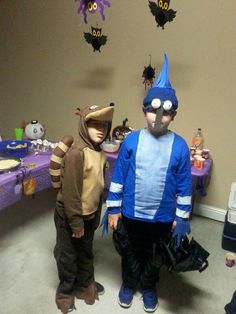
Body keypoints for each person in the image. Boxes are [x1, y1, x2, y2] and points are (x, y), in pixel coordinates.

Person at [106, 54, 192, 313]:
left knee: (154, 256)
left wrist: (182, 217)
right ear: (144, 110)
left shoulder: (180, 145)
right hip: (131, 213)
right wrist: (112, 209)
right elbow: (118, 177)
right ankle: (129, 283)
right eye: (153, 109)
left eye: (166, 112)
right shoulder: (131, 141)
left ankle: (149, 286)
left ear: (173, 116)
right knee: (131, 252)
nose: (159, 116)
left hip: (163, 217)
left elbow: (185, 185)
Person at [53, 103, 114, 314]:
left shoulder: (100, 153)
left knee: (86, 251)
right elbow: (71, 193)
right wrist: (76, 222)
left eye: (104, 126)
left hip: (89, 215)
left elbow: (97, 188)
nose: (100, 130)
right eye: (94, 125)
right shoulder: (76, 154)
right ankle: (65, 291)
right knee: (67, 254)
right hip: (69, 215)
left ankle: (84, 285)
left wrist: (95, 217)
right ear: (83, 126)